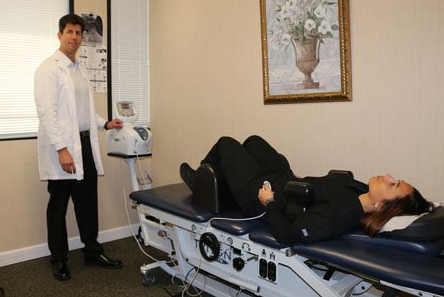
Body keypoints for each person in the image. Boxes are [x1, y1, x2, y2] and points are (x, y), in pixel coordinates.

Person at [180, 136, 433, 245]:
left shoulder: (339, 214)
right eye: (394, 179)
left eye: (392, 185)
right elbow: (321, 189)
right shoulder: (359, 190)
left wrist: (268, 202)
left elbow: (287, 235)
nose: (387, 177)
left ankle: (202, 182)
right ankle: (226, 185)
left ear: (380, 207)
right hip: (285, 179)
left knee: (226, 144)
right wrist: (299, 179)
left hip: (262, 195)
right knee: (253, 141)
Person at [34, 14, 124, 281]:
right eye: (70, 31)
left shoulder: (79, 69)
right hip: (62, 148)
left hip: (84, 144)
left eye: (78, 33)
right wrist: (62, 149)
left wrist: (105, 124)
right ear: (59, 34)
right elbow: (47, 114)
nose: (74, 37)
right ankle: (59, 259)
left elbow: (83, 112)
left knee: (87, 203)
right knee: (58, 206)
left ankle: (92, 251)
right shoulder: (48, 69)